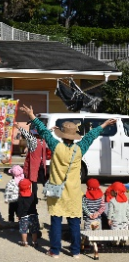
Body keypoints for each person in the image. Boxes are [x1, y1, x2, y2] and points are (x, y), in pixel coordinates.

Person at [20, 104, 116, 259]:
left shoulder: (56, 146)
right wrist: (103, 125)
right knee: (74, 223)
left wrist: (32, 115)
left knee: (56, 221)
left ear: (62, 135)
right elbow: (90, 137)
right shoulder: (79, 149)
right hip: (73, 192)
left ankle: (55, 251)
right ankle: (76, 251)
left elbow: (44, 132)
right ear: (74, 137)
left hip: (56, 190)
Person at [14, 122, 48, 205]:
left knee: (34, 181)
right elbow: (46, 133)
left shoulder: (33, 140)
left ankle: (34, 198)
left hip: (34, 164)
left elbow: (26, 134)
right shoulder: (43, 140)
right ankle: (49, 193)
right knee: (43, 179)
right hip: (42, 163)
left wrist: (19, 127)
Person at [17, 178, 40, 247]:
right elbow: (36, 202)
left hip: (24, 216)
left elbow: (19, 208)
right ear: (29, 186)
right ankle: (34, 242)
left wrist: (19, 215)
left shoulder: (20, 197)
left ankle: (25, 242)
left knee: (24, 230)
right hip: (33, 214)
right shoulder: (33, 195)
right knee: (34, 230)